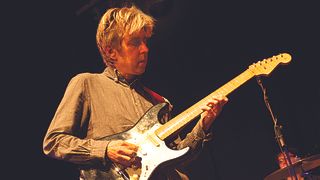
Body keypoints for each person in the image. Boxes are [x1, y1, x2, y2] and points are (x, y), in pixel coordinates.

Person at [43, 5, 228, 180]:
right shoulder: (87, 83)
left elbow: (178, 158)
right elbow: (54, 142)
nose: (145, 49)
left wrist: (204, 124)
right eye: (134, 42)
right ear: (111, 51)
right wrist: (106, 149)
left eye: (145, 41)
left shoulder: (158, 102)